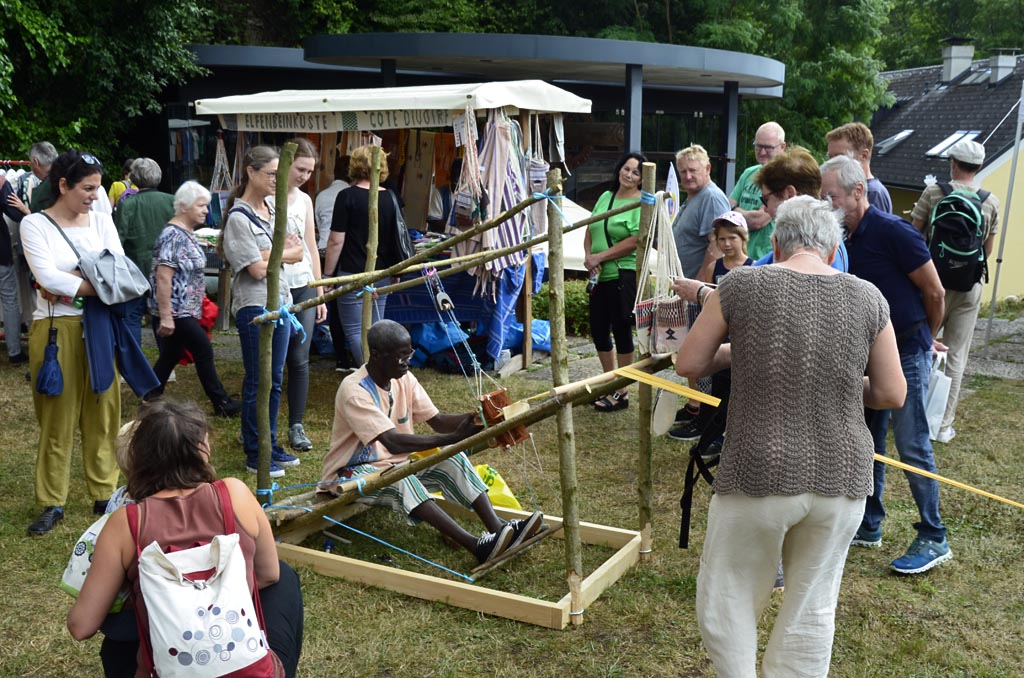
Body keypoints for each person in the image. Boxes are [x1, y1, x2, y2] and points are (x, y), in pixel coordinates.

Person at [678, 195, 905, 677]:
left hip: (758, 469)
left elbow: (689, 363)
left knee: (730, 592)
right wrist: (837, 378)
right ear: (832, 247)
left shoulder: (740, 284)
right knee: (812, 605)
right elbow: (890, 393)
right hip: (842, 478)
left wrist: (733, 355)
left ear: (776, 243)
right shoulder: (868, 296)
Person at [67, 398, 304, 678]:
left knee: (117, 645)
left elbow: (81, 627)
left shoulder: (125, 523)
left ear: (140, 457)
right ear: (202, 449)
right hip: (249, 669)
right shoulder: (235, 493)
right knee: (286, 578)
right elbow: (268, 575)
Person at [820, 154, 952, 574]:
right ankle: (870, 524)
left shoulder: (895, 232)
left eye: (833, 197)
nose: (827, 205)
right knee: (868, 442)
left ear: (859, 192)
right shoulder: (841, 238)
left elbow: (935, 293)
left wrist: (923, 341)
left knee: (912, 445)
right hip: (863, 355)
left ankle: (934, 536)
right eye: (822, 197)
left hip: (907, 351)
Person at [319, 320, 544, 565]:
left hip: (395, 466)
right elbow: (393, 442)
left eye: (409, 354)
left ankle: (498, 529)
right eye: (400, 356)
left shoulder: (403, 377)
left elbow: (438, 421)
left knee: (453, 457)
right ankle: (476, 546)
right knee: (400, 477)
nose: (407, 361)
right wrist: (454, 437)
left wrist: (481, 420)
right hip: (348, 475)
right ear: (376, 356)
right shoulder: (354, 389)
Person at [21, 150, 123, 535]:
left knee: (103, 409)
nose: (95, 195)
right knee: (57, 415)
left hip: (98, 326)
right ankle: (52, 501)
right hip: (54, 330)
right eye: (87, 188)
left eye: (97, 187)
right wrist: (91, 281)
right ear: (62, 185)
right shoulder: (36, 224)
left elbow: (118, 266)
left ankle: (104, 492)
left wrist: (73, 283)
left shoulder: (101, 218)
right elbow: (46, 276)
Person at [221, 145, 306, 478]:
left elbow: (298, 251)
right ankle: (256, 452)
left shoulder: (273, 209)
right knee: (260, 379)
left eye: (279, 174)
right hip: (255, 306)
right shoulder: (238, 218)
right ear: (250, 172)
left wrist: (274, 253)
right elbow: (256, 270)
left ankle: (269, 442)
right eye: (271, 174)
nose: (277, 180)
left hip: (280, 302)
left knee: (275, 380)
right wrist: (279, 252)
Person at [910, 139, 1000, 443]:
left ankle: (913, 415)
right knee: (956, 354)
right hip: (969, 286)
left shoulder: (934, 193)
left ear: (952, 163)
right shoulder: (990, 201)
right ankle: (943, 424)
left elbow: (915, 232)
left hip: (932, 282)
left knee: (922, 344)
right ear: (979, 167)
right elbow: (986, 249)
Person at [148, 181, 240, 417]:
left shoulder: (185, 234)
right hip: (178, 310)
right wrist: (166, 316)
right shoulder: (173, 236)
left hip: (185, 309)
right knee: (203, 350)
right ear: (183, 207)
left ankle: (149, 394)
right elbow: (163, 276)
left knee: (172, 354)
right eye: (201, 205)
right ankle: (221, 403)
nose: (206, 210)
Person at [668, 210, 752, 443]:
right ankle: (706, 423)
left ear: (743, 239)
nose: (726, 244)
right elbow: (700, 300)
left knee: (735, 384)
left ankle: (728, 429)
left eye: (732, 238)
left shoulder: (754, 267)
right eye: (721, 239)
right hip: (718, 335)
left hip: (740, 337)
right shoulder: (714, 266)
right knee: (712, 382)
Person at [266, 138, 326, 452]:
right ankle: (265, 427)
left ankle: (296, 425)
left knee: (300, 359)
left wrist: (319, 288)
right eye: (301, 169)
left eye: (310, 171)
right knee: (272, 363)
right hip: (276, 288)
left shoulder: (305, 200)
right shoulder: (267, 198)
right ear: (287, 164)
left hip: (303, 284)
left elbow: (312, 244)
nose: (304, 175)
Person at [323, 145, 405, 364]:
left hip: (351, 272)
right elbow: (396, 236)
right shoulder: (391, 197)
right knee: (379, 328)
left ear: (355, 166)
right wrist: (397, 267)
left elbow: (335, 240)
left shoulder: (346, 196)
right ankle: (385, 373)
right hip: (383, 272)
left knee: (355, 331)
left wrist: (328, 275)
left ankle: (374, 374)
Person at [584, 151, 645, 412]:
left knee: (621, 330)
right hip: (599, 275)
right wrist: (589, 257)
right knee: (598, 329)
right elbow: (591, 227)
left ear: (642, 179)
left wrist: (601, 256)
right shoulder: (605, 196)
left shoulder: (641, 203)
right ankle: (608, 382)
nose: (628, 174)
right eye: (626, 168)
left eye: (635, 172)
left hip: (622, 273)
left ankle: (622, 390)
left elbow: (634, 240)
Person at [113, 158, 174, 346]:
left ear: (134, 178)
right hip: (167, 270)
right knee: (162, 314)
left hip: (135, 270)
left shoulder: (127, 205)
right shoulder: (172, 201)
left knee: (132, 316)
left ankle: (134, 362)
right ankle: (167, 364)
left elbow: (117, 241)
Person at [728, 121, 787, 259]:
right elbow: (727, 210)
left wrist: (737, 211)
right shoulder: (749, 172)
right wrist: (737, 212)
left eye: (768, 148)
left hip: (765, 257)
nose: (762, 152)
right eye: (758, 146)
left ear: (782, 147)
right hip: (740, 257)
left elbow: (758, 221)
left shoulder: (784, 177)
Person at [826, 122, 893, 213]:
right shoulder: (846, 188)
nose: (832, 163)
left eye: (840, 157)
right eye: (830, 158)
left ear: (864, 156)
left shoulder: (873, 193)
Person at [426, 157, 462, 232]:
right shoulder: (440, 193)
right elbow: (433, 221)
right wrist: (454, 227)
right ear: (450, 173)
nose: (455, 178)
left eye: (459, 175)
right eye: (454, 173)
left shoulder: (470, 195)